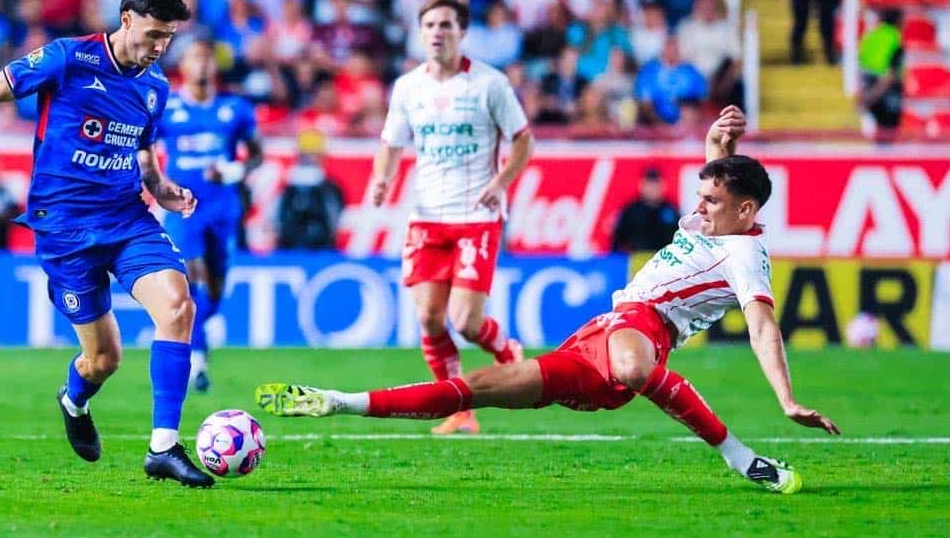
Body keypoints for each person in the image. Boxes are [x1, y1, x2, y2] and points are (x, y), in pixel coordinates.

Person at [257, 106, 840, 494]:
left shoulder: (745, 257)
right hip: (603, 336)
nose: (700, 205)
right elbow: (720, 169)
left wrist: (787, 399)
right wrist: (723, 138)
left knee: (637, 365)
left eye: (712, 200)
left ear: (746, 212)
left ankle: (741, 457)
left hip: (642, 332)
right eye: (701, 194)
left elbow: (763, 327)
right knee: (477, 389)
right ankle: (338, 401)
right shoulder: (712, 220)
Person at [0, 0, 213, 487]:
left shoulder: (155, 88)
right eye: (153, 35)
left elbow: (142, 150)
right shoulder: (69, 57)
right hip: (65, 226)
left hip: (125, 217)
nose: (159, 48)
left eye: (168, 39)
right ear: (127, 19)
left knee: (179, 305)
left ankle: (163, 447)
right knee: (103, 359)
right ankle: (73, 400)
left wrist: (159, 187)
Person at [368, 0, 534, 435]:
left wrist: (500, 183)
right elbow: (391, 142)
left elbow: (522, 140)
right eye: (429, 25)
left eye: (446, 25)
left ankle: (507, 351)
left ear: (462, 32)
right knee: (428, 318)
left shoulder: (489, 84)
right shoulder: (408, 87)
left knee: (465, 321)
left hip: (475, 216)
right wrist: (382, 178)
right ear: (419, 33)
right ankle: (459, 408)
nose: (437, 32)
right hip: (426, 217)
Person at [156, 40, 262, 394]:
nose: (201, 64)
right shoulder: (166, 110)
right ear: (183, 66)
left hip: (223, 208)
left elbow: (258, 155)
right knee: (191, 280)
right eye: (194, 57)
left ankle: (201, 333)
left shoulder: (235, 109)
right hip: (183, 209)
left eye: (206, 58)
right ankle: (196, 361)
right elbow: (141, 149)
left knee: (215, 288)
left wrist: (233, 170)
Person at [276, 130, 345, 250]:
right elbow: (279, 220)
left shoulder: (330, 188)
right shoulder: (288, 188)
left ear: (321, 156)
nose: (308, 159)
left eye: (312, 154)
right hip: (290, 248)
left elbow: (334, 222)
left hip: (322, 248)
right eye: (305, 155)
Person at [611, 167, 681, 252]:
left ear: (663, 186)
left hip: (664, 259)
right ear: (641, 186)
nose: (652, 189)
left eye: (655, 185)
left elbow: (679, 238)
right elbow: (617, 240)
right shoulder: (631, 210)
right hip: (636, 260)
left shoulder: (671, 210)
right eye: (649, 185)